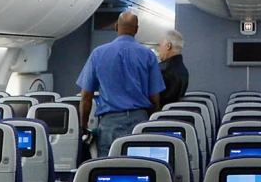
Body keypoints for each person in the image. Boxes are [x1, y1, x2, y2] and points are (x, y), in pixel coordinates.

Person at [77, 11, 165, 158]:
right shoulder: (148, 55)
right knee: (138, 167)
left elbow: (86, 96)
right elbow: (155, 99)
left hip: (109, 124)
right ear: (137, 30)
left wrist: (83, 126)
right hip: (139, 122)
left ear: (116, 27)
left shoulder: (98, 54)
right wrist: (147, 119)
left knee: (109, 169)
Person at [157, 29, 189, 106]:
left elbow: (155, 100)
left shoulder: (162, 71)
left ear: (168, 46)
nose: (158, 50)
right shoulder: (183, 70)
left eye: (160, 45)